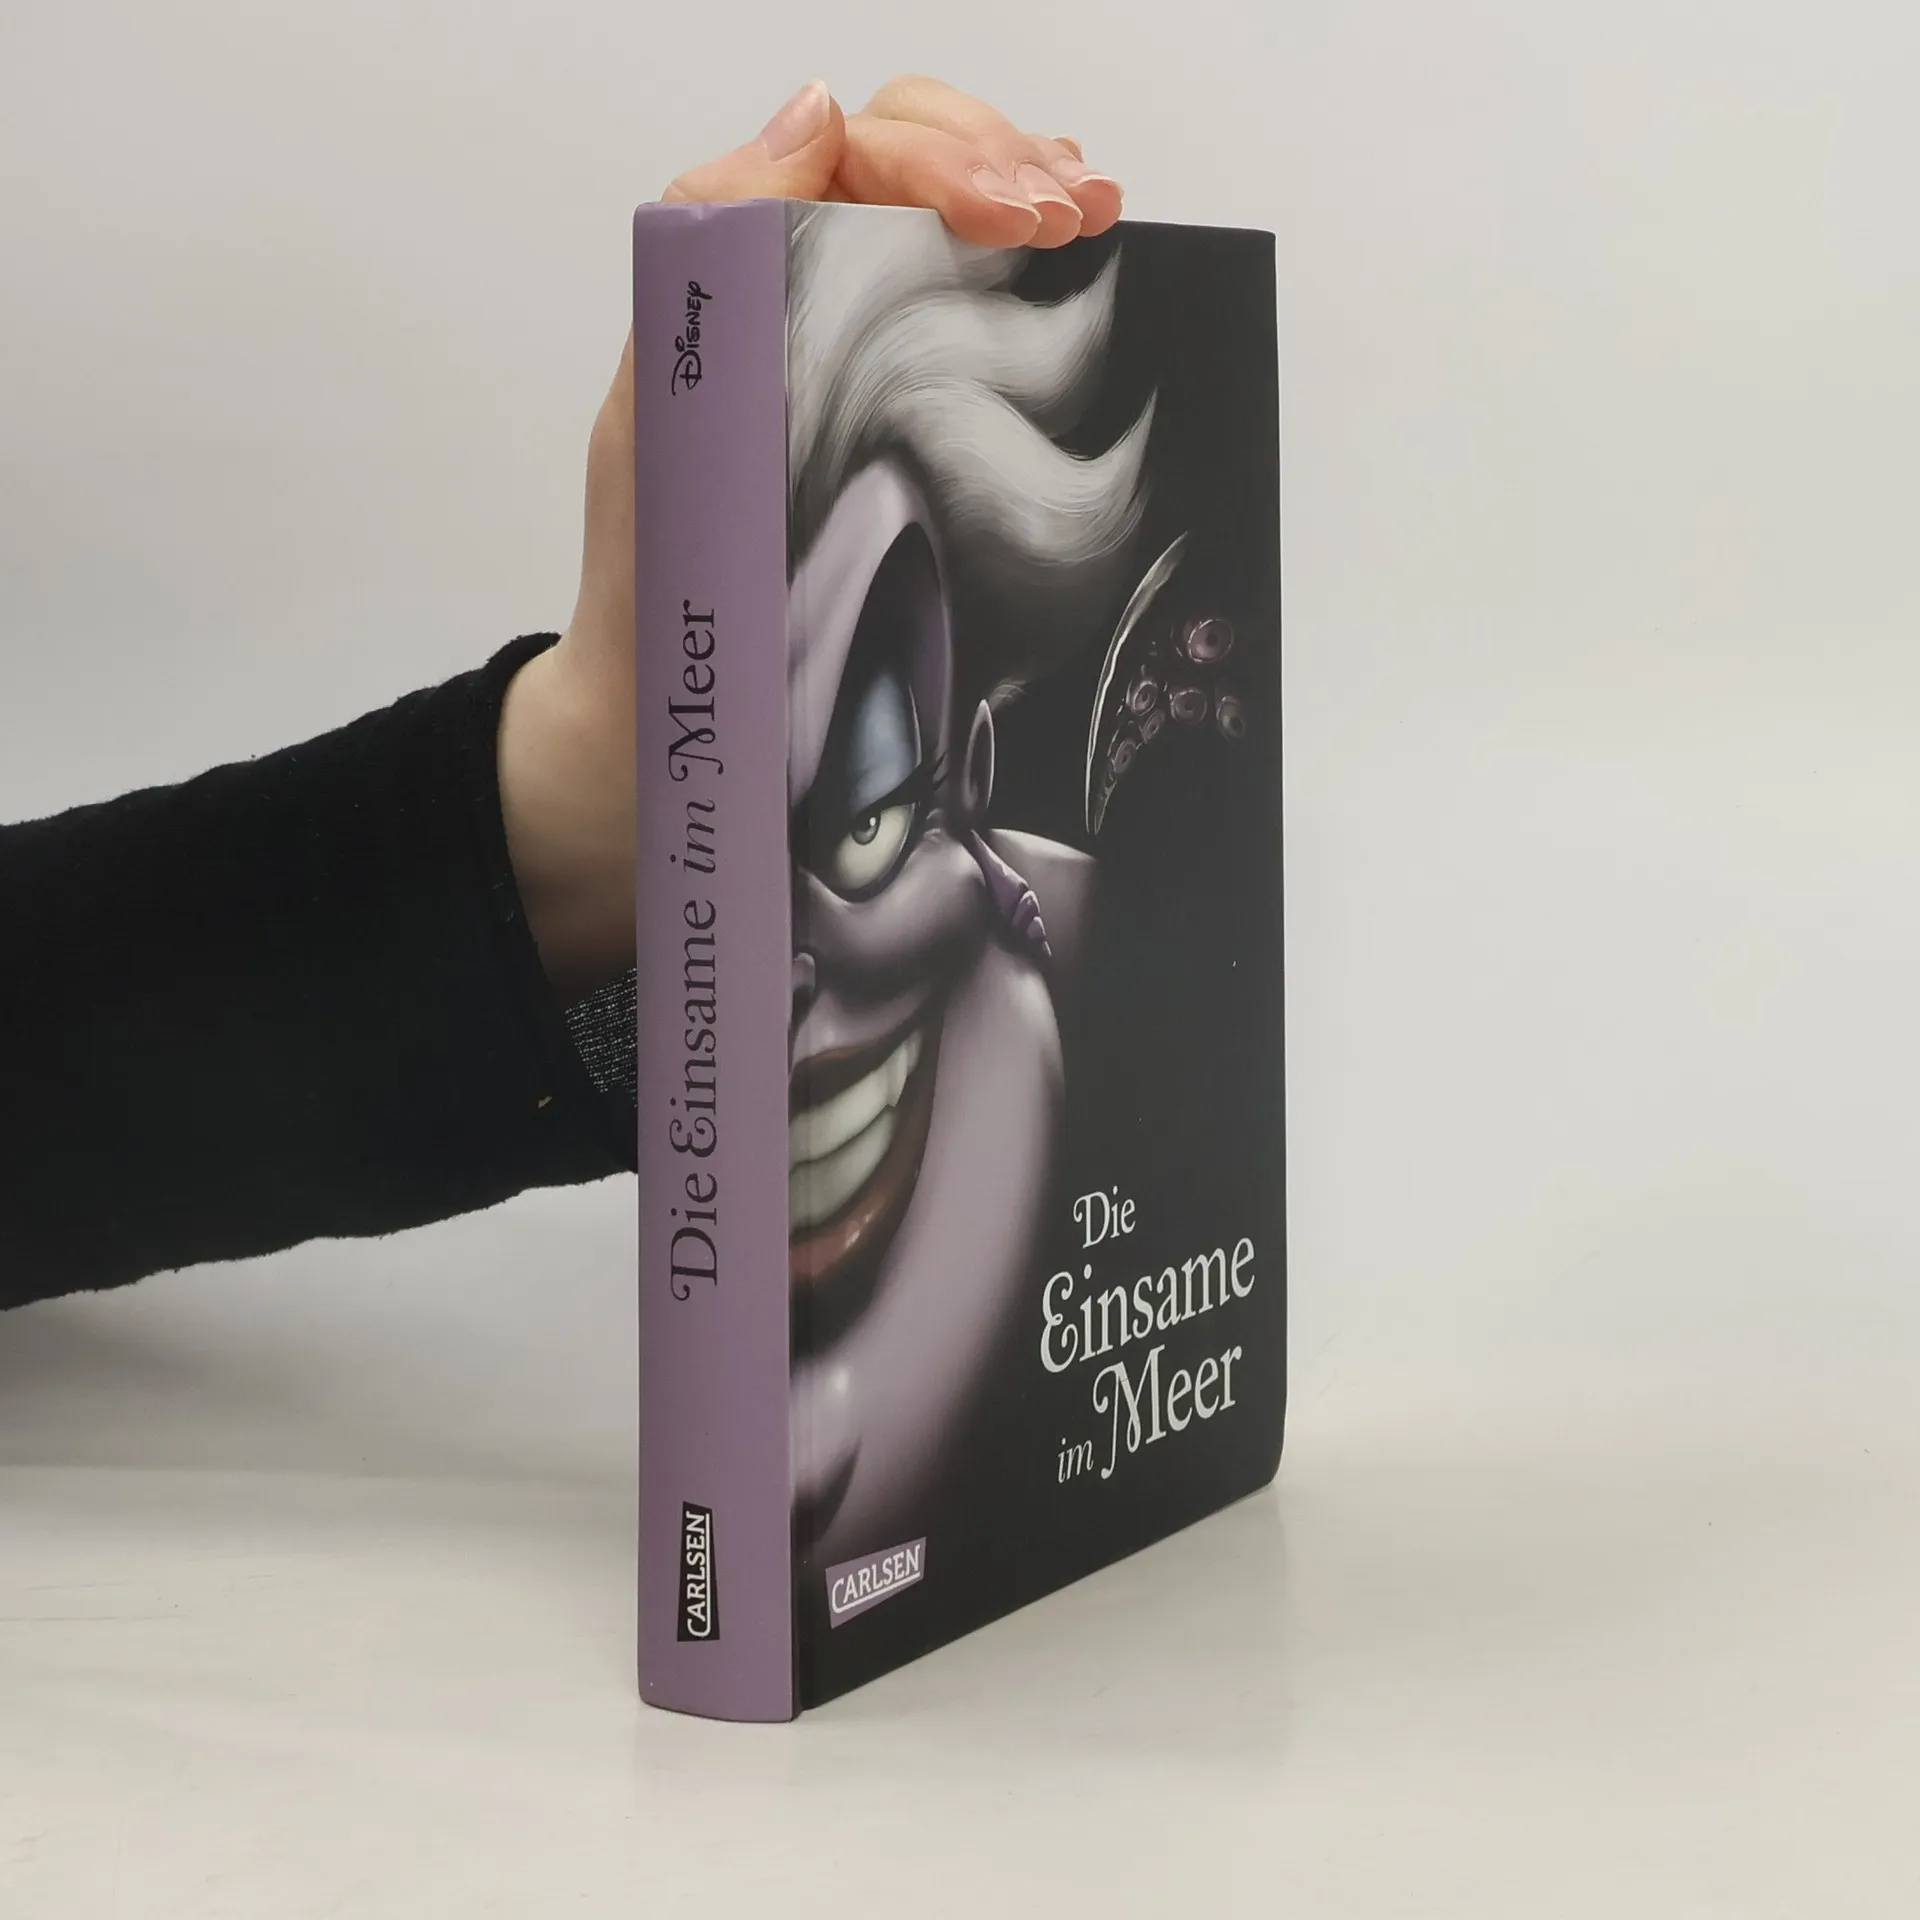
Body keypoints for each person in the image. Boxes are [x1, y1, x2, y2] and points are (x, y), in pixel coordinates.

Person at [0, 76, 1124, 1313]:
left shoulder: (1083, 949)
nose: (787, 962)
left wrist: (596, 806)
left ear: (976, 770)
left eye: (867, 806)